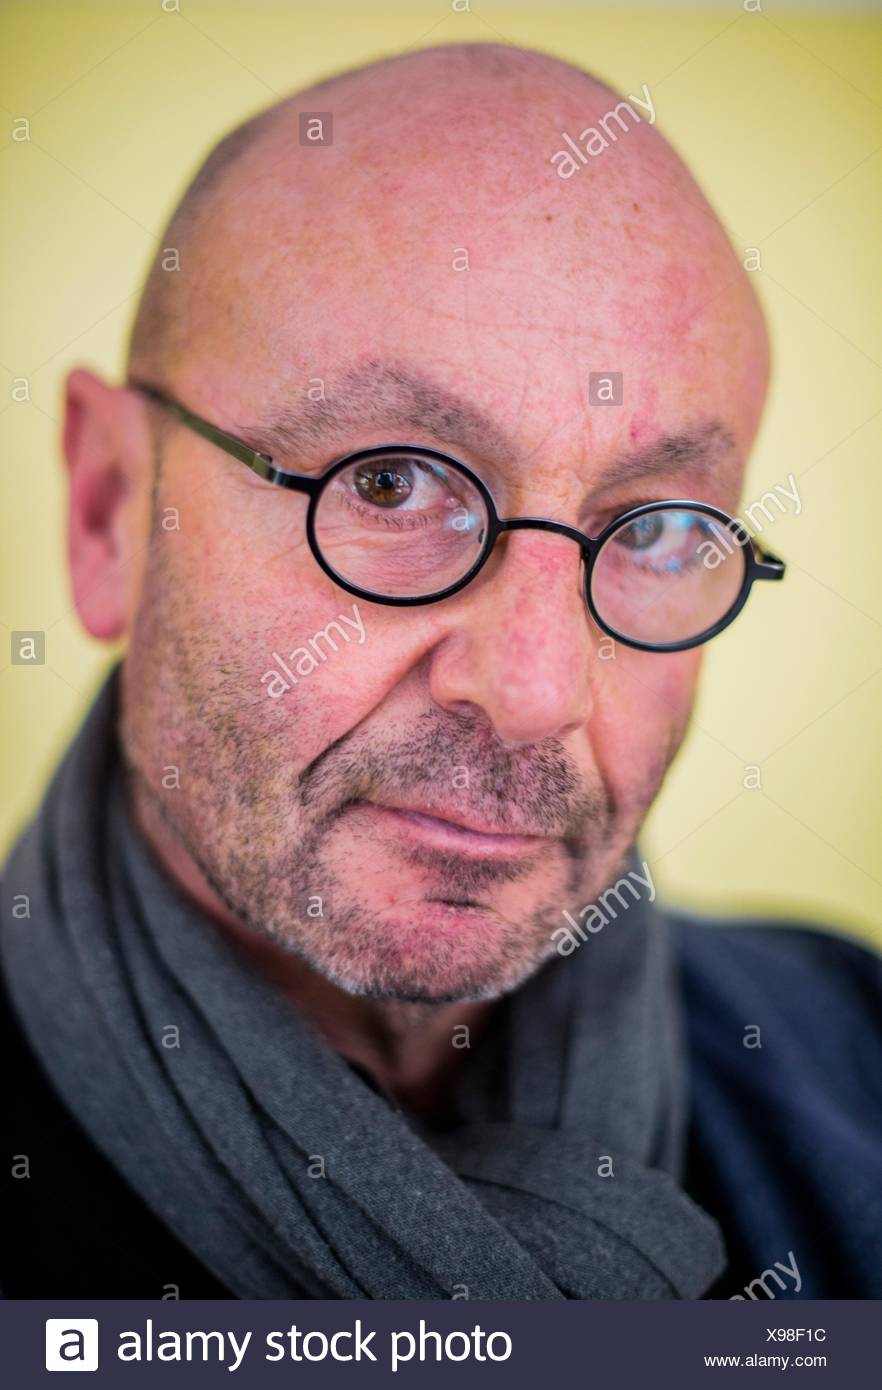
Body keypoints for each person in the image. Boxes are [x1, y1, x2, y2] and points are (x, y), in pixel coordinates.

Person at [2, 43, 880, 1301]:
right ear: (108, 511)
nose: (534, 691)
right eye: (389, 483)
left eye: (658, 530)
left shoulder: (852, 1050)